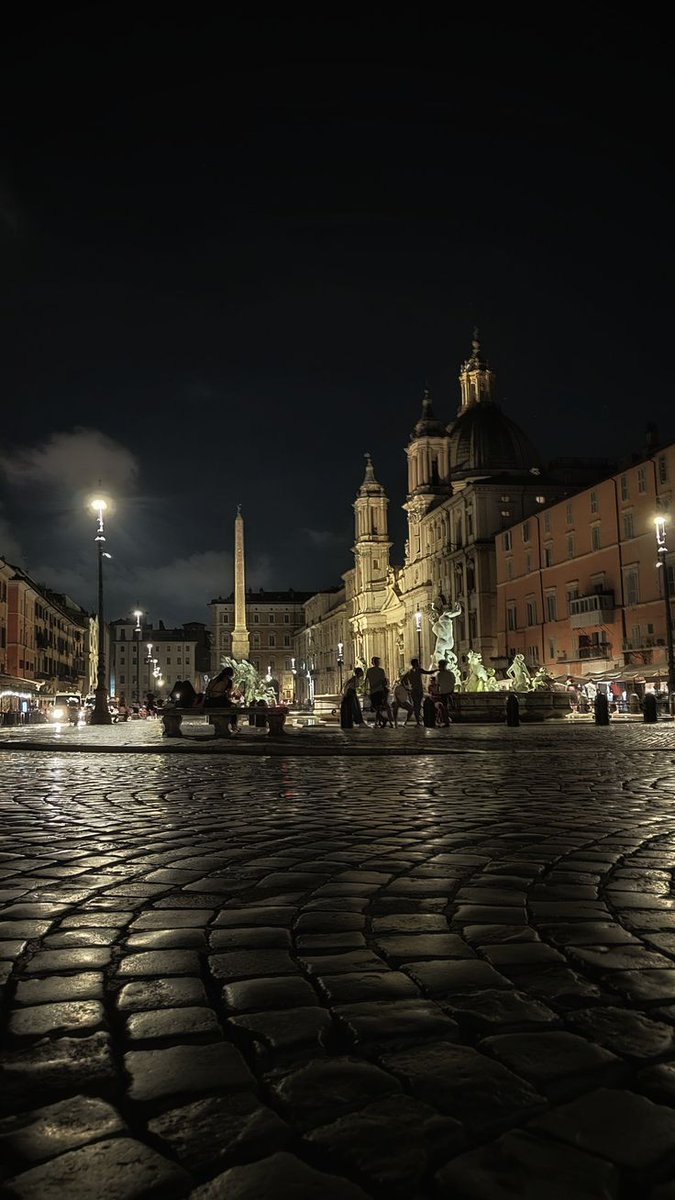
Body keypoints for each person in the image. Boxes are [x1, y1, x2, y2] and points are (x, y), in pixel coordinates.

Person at [204, 665, 238, 731]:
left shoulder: (215, 679)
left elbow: (207, 691)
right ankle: (234, 725)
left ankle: (227, 726)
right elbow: (228, 694)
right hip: (219, 701)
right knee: (233, 708)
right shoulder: (228, 681)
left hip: (209, 702)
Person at [402, 658, 433, 725]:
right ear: (416, 663)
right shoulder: (419, 670)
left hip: (413, 690)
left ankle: (418, 720)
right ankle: (418, 720)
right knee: (418, 705)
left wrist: (407, 688)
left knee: (416, 705)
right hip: (419, 690)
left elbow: (402, 681)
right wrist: (436, 670)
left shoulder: (409, 672)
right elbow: (428, 672)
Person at [364, 656, 393, 727]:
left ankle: (381, 721)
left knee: (376, 708)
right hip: (379, 691)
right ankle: (383, 721)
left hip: (374, 691)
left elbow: (366, 681)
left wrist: (366, 690)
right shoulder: (381, 671)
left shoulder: (369, 670)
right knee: (378, 708)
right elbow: (383, 682)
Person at [435, 659, 456, 726]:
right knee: (446, 707)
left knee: (444, 708)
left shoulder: (439, 674)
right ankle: (446, 720)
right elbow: (453, 682)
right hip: (449, 692)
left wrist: (437, 692)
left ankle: (446, 721)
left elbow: (438, 684)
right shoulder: (450, 673)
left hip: (443, 692)